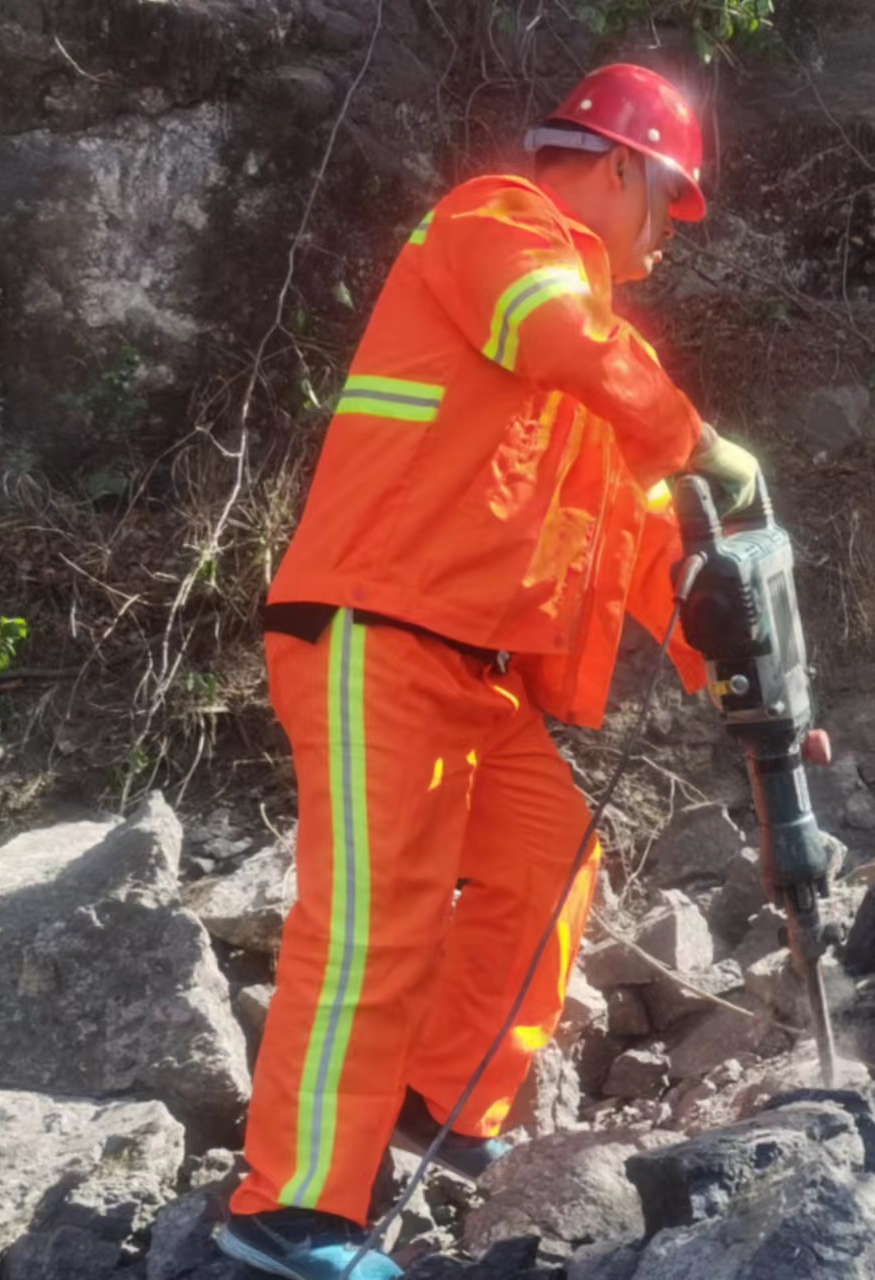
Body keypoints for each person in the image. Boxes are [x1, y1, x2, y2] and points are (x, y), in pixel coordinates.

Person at [216, 64, 760, 1280]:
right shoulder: (498, 227)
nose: (666, 244)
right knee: (372, 917)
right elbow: (554, 337)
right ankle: (289, 1206)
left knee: (548, 856)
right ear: (616, 164)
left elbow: (632, 545)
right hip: (376, 629)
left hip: (474, 673)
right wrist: (694, 437)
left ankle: (430, 1112)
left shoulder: (595, 357)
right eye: (667, 205)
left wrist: (733, 676)